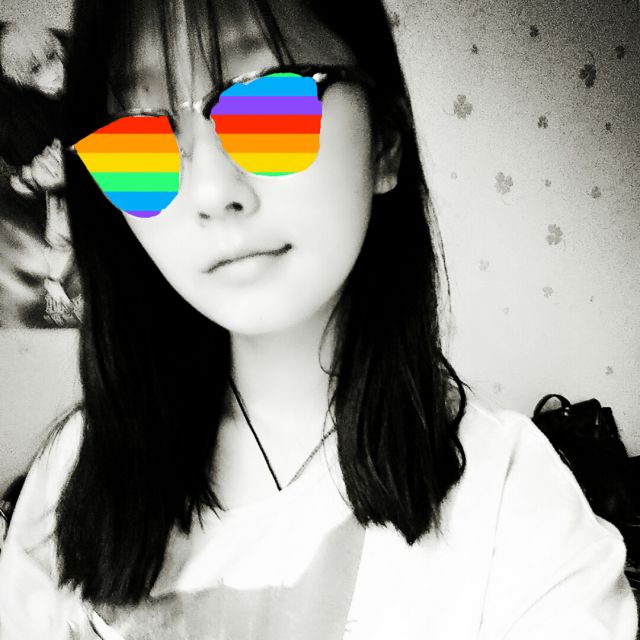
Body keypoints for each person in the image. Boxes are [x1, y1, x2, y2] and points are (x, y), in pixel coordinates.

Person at [0, 0, 636, 637]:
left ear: (385, 142)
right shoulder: (73, 472)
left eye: (267, 107)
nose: (211, 192)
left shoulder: (512, 504)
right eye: (137, 141)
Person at [0, 22, 81, 327]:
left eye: (53, 57)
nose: (53, 71)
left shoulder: (84, 86)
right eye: (37, 69)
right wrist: (30, 177)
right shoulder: (18, 117)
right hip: (49, 200)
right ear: (23, 79)